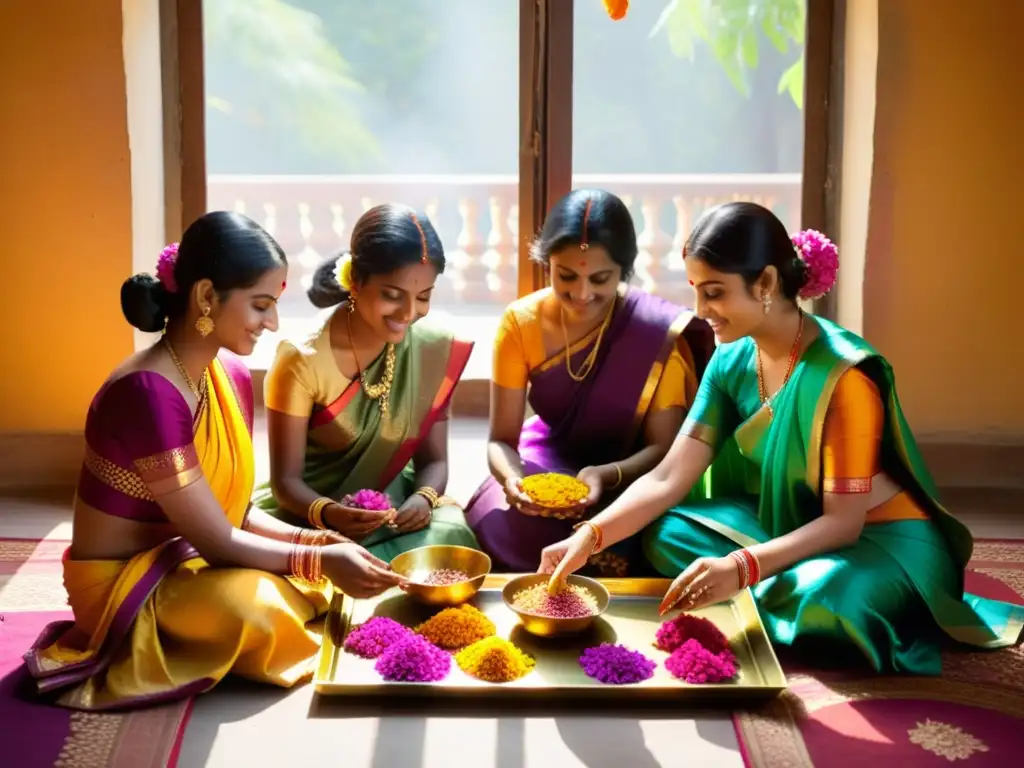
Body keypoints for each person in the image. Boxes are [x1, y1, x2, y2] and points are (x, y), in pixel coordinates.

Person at [540, 202, 1023, 674]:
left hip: (878, 540)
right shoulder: (731, 359)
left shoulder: (842, 376)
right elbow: (669, 475)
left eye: (714, 292)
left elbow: (843, 525)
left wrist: (742, 566)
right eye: (695, 291)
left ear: (766, 283)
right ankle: (771, 590)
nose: (701, 310)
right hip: (786, 521)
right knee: (665, 532)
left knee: (831, 601)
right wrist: (588, 535)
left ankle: (769, 591)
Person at [25, 212, 406, 710]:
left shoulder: (228, 373)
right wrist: (318, 558)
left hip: (187, 556)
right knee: (259, 608)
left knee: (305, 586)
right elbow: (218, 538)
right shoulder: (148, 393)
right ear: (206, 296)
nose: (272, 323)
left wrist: (319, 541)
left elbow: (236, 509)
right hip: (128, 586)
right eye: (261, 305)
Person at [466, 189, 715, 576]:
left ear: (624, 271)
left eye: (600, 278)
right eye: (566, 275)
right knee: (497, 523)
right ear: (546, 262)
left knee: (643, 537)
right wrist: (515, 482)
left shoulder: (656, 333)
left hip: (631, 476)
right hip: (546, 462)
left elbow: (664, 450)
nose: (582, 294)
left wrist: (604, 475)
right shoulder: (520, 323)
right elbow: (500, 440)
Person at [252, 203, 479, 562]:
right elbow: (285, 483)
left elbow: (434, 462)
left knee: (454, 538)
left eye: (423, 297)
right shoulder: (301, 361)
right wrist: (328, 513)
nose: (408, 314)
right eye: (392, 295)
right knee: (293, 572)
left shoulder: (432, 347)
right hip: (312, 518)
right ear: (355, 280)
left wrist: (424, 498)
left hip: (394, 506)